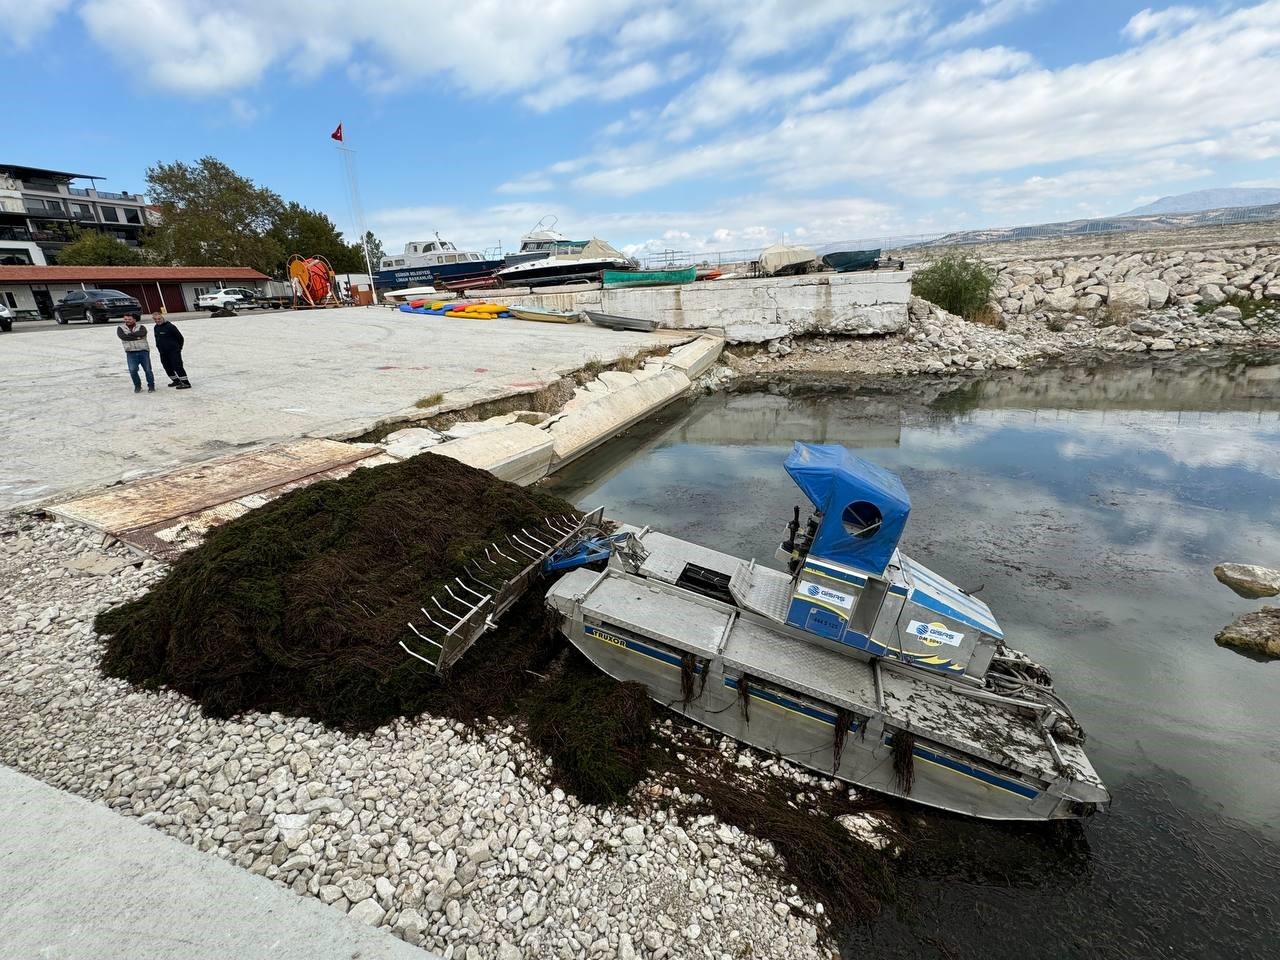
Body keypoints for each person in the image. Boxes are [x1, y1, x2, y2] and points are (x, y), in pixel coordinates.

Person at [116, 313, 154, 393]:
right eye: (125, 319)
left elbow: (142, 334)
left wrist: (129, 335)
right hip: (130, 352)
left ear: (134, 320)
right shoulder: (120, 328)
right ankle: (137, 386)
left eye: (129, 319)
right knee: (132, 370)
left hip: (143, 351)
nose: (127, 321)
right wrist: (137, 337)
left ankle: (151, 386)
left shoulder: (141, 327)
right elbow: (123, 337)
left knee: (148, 370)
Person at [152, 312, 190, 389]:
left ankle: (186, 383)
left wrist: (178, 348)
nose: (158, 320)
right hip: (163, 352)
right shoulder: (156, 327)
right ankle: (176, 380)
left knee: (177, 366)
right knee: (167, 366)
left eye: (159, 319)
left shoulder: (170, 327)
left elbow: (180, 338)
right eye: (155, 319)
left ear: (162, 318)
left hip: (173, 351)